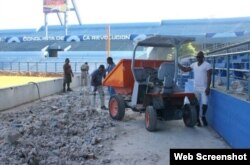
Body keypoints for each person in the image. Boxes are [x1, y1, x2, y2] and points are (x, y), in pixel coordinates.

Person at [178, 51, 212, 127]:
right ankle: (197, 120)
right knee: (195, 104)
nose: (198, 58)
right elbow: (185, 69)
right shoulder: (194, 65)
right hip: (196, 87)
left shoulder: (207, 65)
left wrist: (208, 87)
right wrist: (177, 64)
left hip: (204, 88)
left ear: (203, 57)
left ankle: (203, 116)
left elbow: (209, 77)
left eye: (200, 57)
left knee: (204, 103)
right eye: (197, 57)